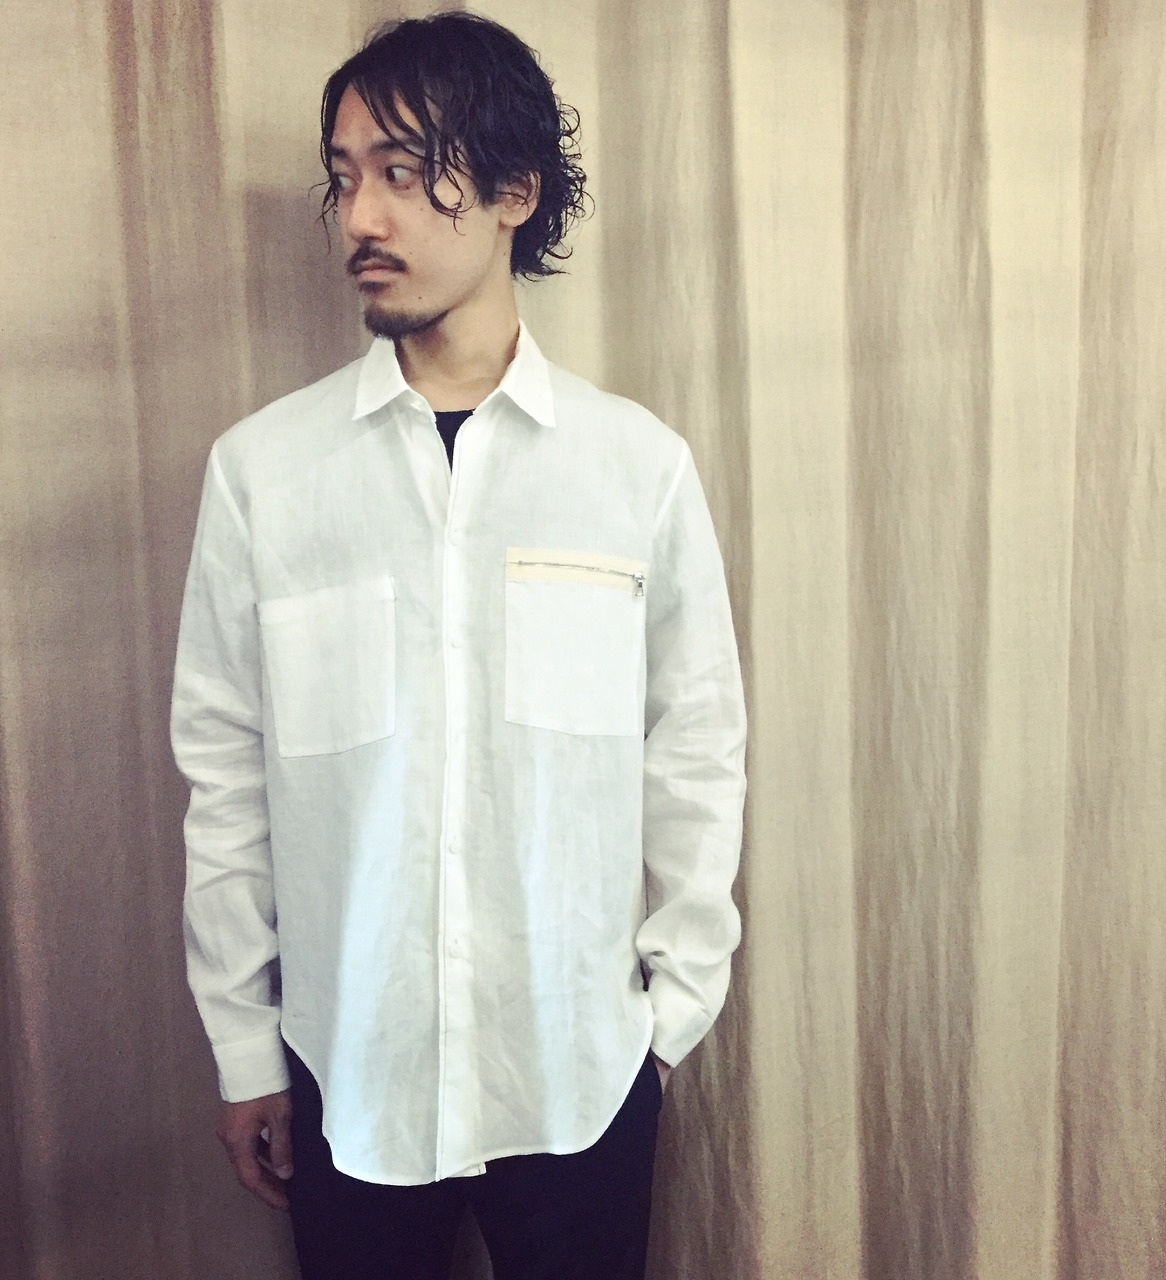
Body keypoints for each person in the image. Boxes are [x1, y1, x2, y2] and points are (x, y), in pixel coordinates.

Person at [171, 13, 746, 1280]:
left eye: (401, 170)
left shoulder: (633, 469)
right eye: (343, 176)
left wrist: (667, 1015)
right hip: (350, 1075)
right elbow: (226, 773)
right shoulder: (265, 475)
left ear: (511, 193)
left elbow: (696, 747)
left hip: (579, 1075)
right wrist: (245, 1045)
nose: (360, 216)